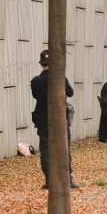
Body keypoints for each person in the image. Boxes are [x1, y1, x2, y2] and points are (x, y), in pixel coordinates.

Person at [30, 49, 80, 190]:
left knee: (45, 149)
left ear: (42, 64)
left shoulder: (36, 81)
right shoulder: (60, 78)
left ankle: (49, 179)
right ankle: (67, 178)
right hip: (59, 118)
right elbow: (70, 93)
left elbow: (35, 96)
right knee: (64, 148)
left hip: (42, 118)